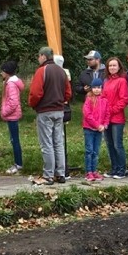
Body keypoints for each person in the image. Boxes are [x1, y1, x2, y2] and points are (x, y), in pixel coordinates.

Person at [29, 47, 72, 185]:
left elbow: (36, 93)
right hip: (59, 110)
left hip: (45, 110)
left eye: (39, 56)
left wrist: (33, 104)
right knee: (58, 142)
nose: (38, 59)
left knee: (46, 143)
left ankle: (48, 174)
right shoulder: (61, 71)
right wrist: (61, 101)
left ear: (43, 56)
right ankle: (60, 173)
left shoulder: (42, 71)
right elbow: (68, 92)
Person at [101, 56, 128, 179]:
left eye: (114, 65)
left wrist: (111, 110)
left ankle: (121, 169)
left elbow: (124, 99)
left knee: (118, 144)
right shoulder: (106, 81)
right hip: (106, 118)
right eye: (110, 65)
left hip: (117, 118)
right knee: (110, 144)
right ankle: (114, 168)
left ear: (119, 67)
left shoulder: (122, 81)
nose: (112, 67)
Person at [82, 78, 109, 181]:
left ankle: (94, 170)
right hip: (89, 128)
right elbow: (87, 115)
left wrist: (105, 124)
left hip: (99, 130)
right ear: (91, 88)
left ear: (101, 88)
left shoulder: (104, 100)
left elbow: (107, 113)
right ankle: (88, 171)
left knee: (96, 151)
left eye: (99, 87)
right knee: (89, 150)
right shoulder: (89, 99)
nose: (97, 90)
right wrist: (97, 125)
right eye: (94, 87)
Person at [0, 61, 24, 174]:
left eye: (2, 71)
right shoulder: (11, 82)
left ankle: (18, 164)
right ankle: (18, 163)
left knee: (15, 140)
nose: (1, 73)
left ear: (7, 72)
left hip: (12, 116)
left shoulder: (11, 84)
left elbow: (13, 102)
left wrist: (4, 112)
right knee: (14, 139)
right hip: (13, 115)